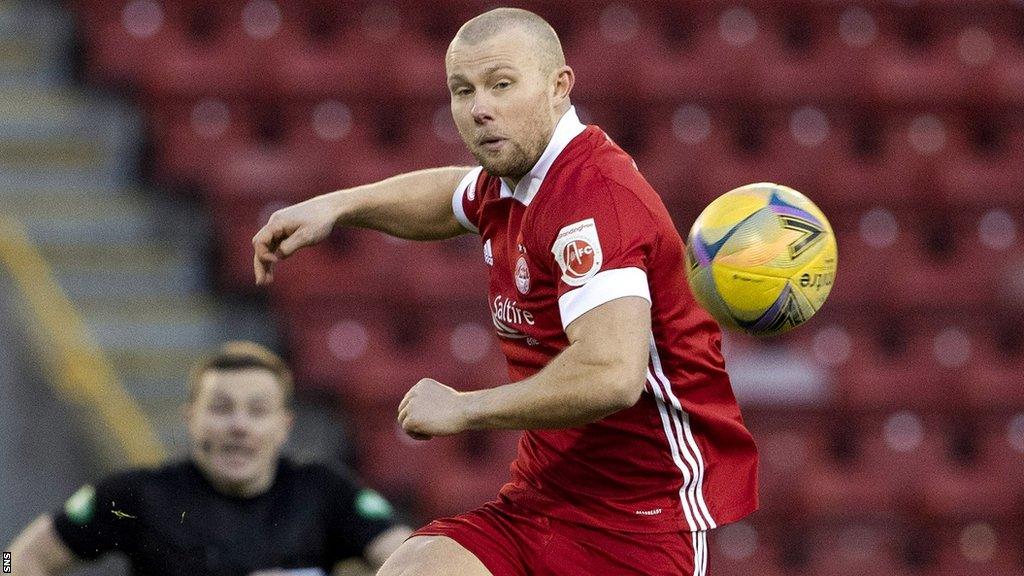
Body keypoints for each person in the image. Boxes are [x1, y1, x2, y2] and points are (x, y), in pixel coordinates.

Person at [252, 8, 758, 575]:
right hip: (538, 502)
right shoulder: (517, 175)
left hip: (640, 519)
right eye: (462, 90)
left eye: (501, 84)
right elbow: (450, 197)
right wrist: (339, 206)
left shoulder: (595, 199)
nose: (479, 108)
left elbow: (611, 375)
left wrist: (465, 409)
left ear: (559, 87)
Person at [6, 341, 411, 576]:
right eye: (220, 408)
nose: (239, 425)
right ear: (191, 418)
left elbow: (410, 559)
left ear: (283, 425)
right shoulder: (136, 495)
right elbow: (15, 558)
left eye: (257, 411)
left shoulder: (324, 491)